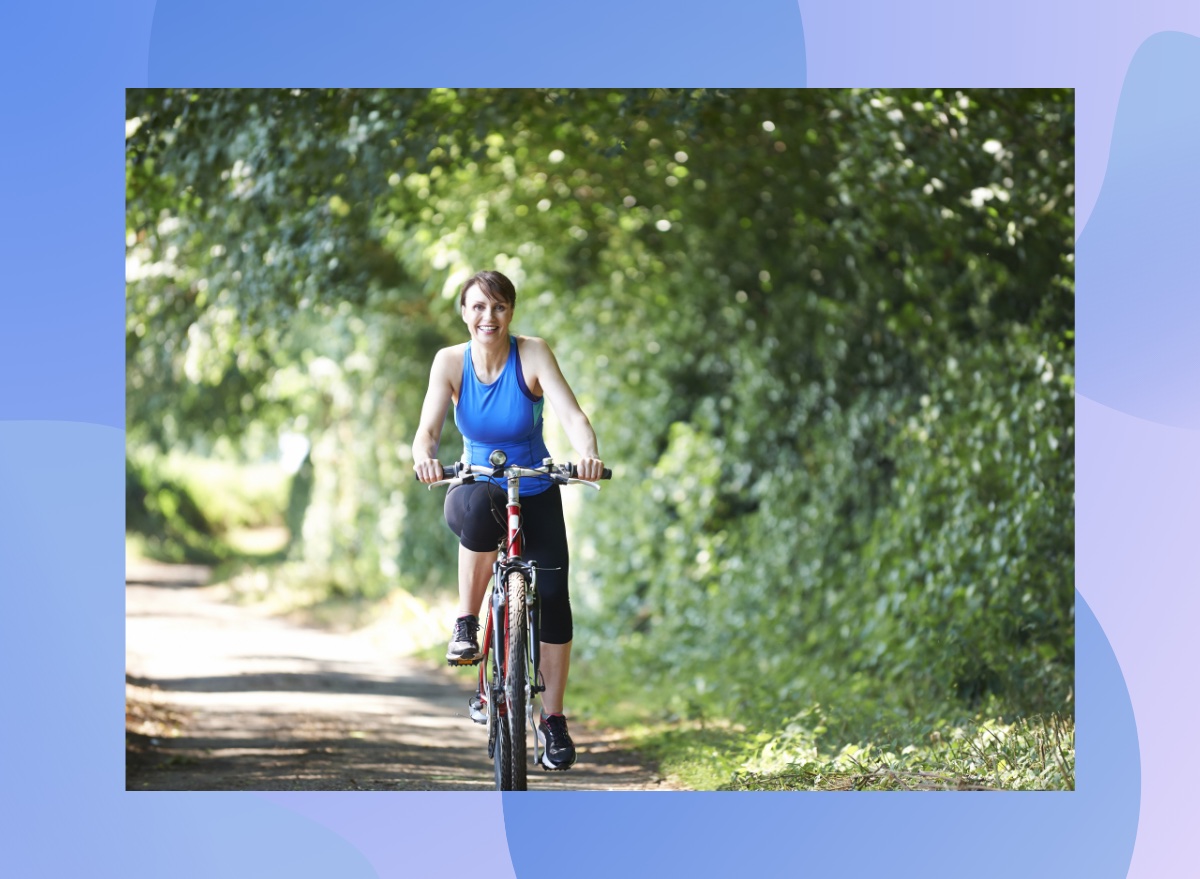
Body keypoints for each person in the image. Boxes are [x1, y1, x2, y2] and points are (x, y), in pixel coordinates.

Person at [412, 270, 604, 771]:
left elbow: (572, 415)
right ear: (464, 312)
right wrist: (426, 457)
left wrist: (587, 454)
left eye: (498, 308)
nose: (488, 317)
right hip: (476, 483)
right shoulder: (450, 362)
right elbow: (427, 431)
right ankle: (466, 622)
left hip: (535, 485)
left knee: (556, 601)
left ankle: (553, 721)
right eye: (478, 307)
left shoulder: (533, 353)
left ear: (511, 312)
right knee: (476, 511)